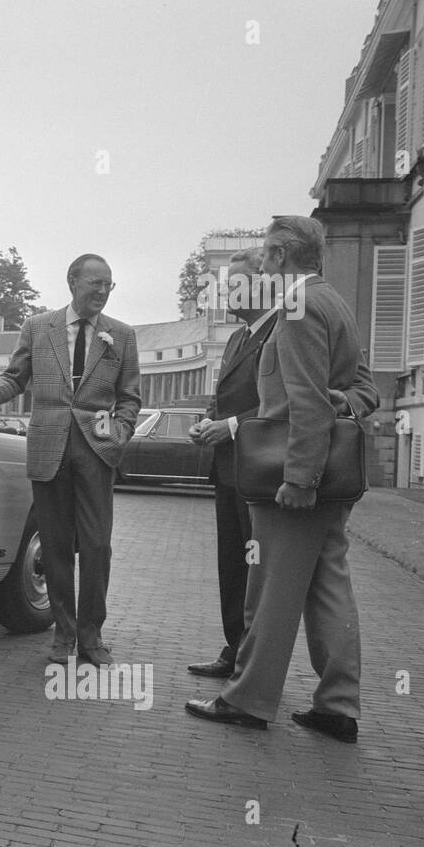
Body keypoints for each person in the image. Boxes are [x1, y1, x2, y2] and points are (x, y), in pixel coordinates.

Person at [186, 216, 379, 743]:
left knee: (269, 591)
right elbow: (362, 389)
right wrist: (344, 402)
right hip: (335, 479)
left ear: (278, 256)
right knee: (329, 588)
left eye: (266, 257)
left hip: (296, 478)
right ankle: (338, 705)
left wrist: (299, 479)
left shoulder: (295, 308)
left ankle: (247, 700)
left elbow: (304, 404)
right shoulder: (333, 302)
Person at [0, 255, 141, 666]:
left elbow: (130, 398)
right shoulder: (37, 327)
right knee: (55, 545)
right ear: (72, 281)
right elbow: (15, 378)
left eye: (108, 285)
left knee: (96, 546)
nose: (101, 292)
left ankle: (91, 635)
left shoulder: (123, 336)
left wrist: (119, 434)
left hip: (97, 452)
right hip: (48, 450)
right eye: (95, 283)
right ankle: (63, 635)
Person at [186, 248, 278, 678]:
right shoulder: (239, 338)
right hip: (228, 470)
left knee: (257, 568)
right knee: (232, 564)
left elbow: (282, 404)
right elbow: (226, 395)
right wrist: (208, 420)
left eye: (237, 282)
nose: (227, 292)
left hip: (260, 472)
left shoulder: (282, 331)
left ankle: (253, 662)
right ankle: (234, 650)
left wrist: (233, 427)